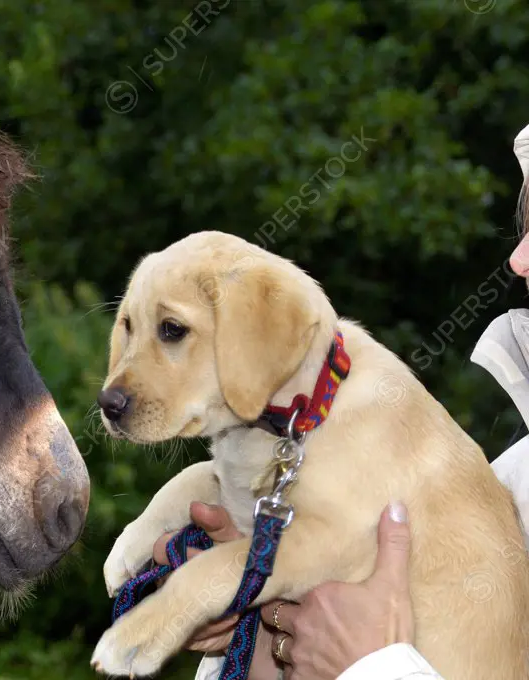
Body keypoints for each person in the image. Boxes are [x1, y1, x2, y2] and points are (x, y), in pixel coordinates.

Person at [172, 123, 529, 680]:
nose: (519, 259)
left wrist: (372, 664)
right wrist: (267, 617)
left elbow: (367, 656)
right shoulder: (507, 485)